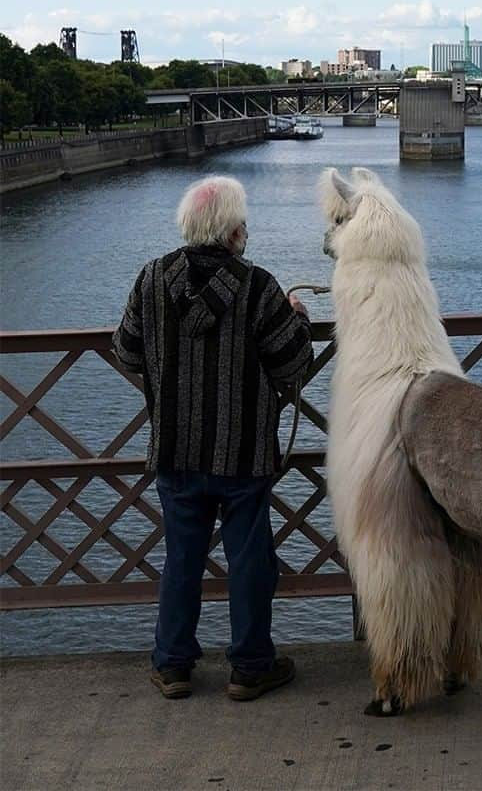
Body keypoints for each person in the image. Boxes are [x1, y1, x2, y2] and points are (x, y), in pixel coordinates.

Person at [113, 175, 313, 701]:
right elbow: (293, 365)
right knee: (249, 560)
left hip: (175, 450)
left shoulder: (151, 279)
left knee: (182, 557)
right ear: (231, 232)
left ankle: (174, 665)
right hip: (242, 453)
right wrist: (301, 320)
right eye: (242, 222)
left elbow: (127, 352)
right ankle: (250, 667)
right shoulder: (260, 288)